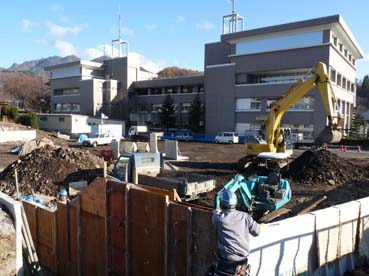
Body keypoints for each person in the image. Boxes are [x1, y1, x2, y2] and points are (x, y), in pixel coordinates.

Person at [211, 190, 261, 276]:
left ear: (221, 204)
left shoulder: (219, 219)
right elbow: (257, 232)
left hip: (226, 263)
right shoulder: (245, 217)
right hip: (242, 263)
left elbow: (216, 213)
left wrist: (217, 210)